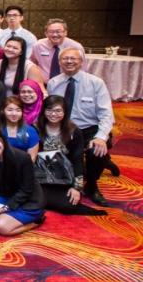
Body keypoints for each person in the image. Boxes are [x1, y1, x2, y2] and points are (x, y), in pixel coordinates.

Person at [47, 48, 115, 206]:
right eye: (65, 59)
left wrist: (101, 137)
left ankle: (91, 185)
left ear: (81, 62)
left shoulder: (95, 82)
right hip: (65, 129)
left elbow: (106, 114)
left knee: (96, 151)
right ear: (59, 62)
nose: (69, 61)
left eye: (73, 58)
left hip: (89, 129)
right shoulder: (53, 83)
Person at [36, 96, 106, 216]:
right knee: (35, 200)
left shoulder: (73, 131)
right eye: (49, 110)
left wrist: (76, 188)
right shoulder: (36, 128)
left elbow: (77, 160)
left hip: (64, 176)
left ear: (65, 112)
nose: (53, 114)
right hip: (41, 176)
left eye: (58, 111)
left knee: (68, 206)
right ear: (43, 111)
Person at [0, 125, 45, 236]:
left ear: (2, 139)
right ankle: (5, 217)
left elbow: (27, 189)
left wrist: (6, 207)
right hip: (5, 195)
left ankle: (36, 222)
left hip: (28, 201)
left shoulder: (22, 157)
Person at [0, 96, 39, 161]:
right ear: (2, 111)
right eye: (10, 110)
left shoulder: (30, 131)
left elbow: (32, 158)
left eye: (18, 110)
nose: (14, 114)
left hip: (24, 165)